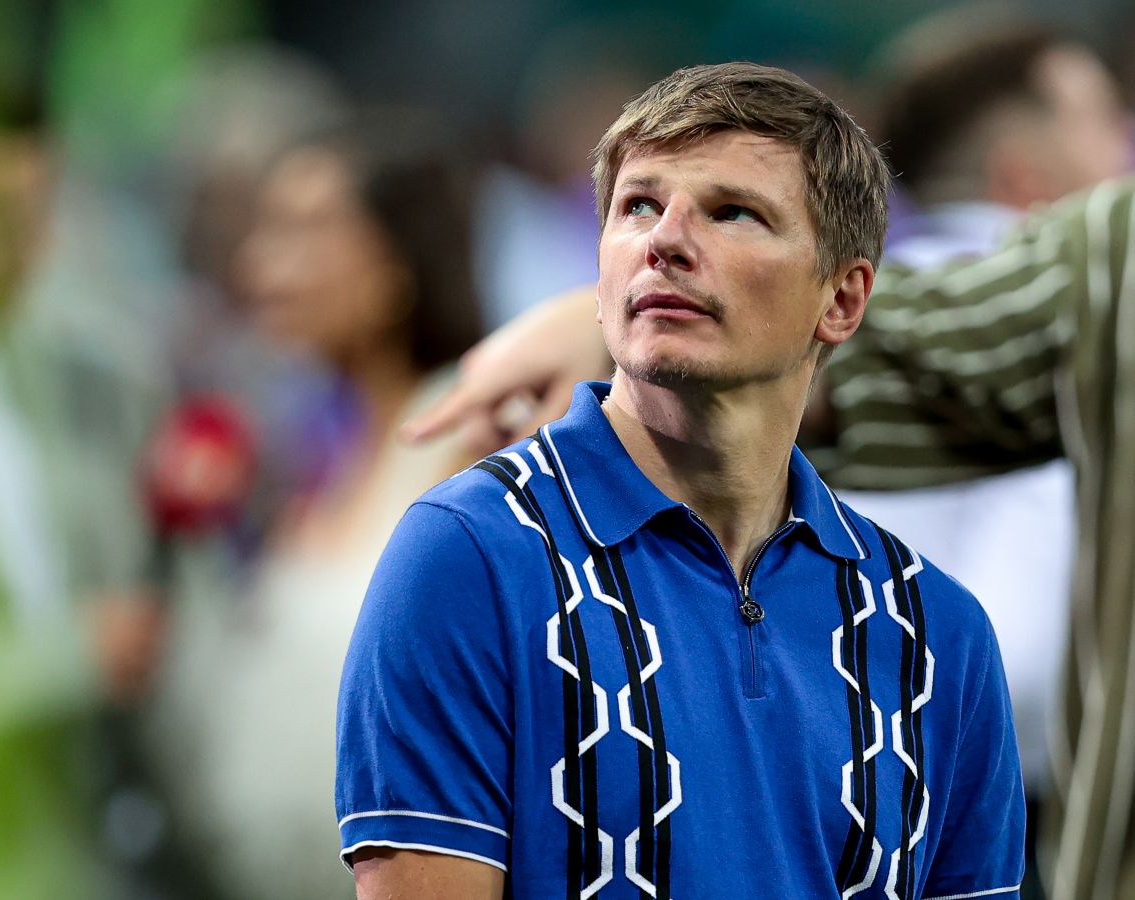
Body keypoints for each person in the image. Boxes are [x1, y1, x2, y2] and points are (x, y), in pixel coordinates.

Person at [339, 63, 1025, 899]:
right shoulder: (469, 554)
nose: (663, 240)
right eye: (637, 206)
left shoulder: (938, 633)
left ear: (843, 300)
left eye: (733, 212)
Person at [146, 115, 484, 899]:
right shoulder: (310, 450)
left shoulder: (476, 447)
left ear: (398, 260)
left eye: (304, 231)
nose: (259, 265)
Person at [828, 20, 1131, 892]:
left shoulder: (840, 303)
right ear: (1019, 171)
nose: (1124, 140)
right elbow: (1023, 658)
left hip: (834, 786)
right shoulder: (1066, 314)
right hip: (1006, 801)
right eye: (1102, 117)